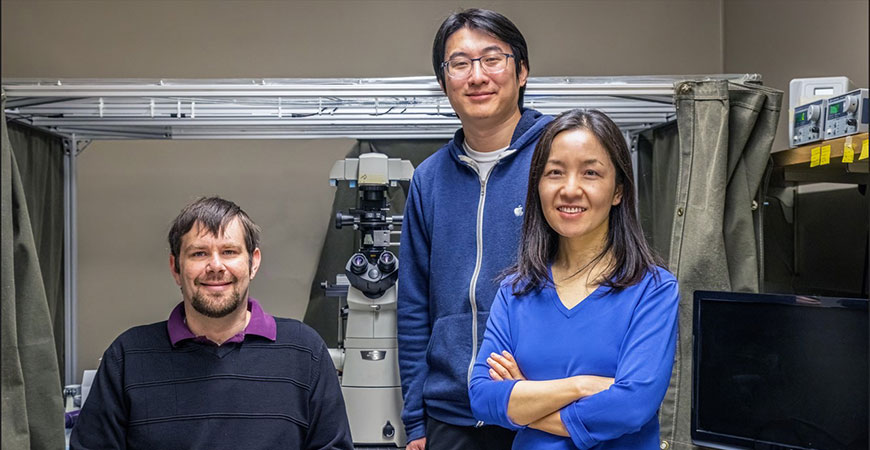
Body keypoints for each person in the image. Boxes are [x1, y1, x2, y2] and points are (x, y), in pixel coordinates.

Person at [468, 109, 680, 450]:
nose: (570, 189)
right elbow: (482, 397)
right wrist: (581, 386)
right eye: (555, 172)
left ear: (618, 191)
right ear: (538, 185)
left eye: (591, 173)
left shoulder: (653, 290)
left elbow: (630, 407)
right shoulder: (516, 291)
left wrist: (526, 398)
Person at [70, 197, 353, 450]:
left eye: (229, 251)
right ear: (175, 268)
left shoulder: (304, 351)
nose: (216, 266)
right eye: (199, 253)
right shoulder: (127, 357)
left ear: (253, 263)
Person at [397, 8, 554, 450]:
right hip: (450, 416)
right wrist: (416, 422)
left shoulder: (558, 160)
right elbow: (412, 306)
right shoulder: (428, 180)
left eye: (492, 58)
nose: (477, 76)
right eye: (460, 63)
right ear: (445, 80)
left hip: (540, 408)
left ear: (521, 71)